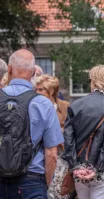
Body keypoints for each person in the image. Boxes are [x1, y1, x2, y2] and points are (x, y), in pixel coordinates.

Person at [0, 49, 64, 199]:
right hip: (31, 180)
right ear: (34, 72)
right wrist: (48, 185)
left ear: (9, 69)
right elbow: (52, 154)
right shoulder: (43, 104)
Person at [61, 65, 104, 199]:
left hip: (80, 168)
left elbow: (68, 139)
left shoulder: (75, 105)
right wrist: (97, 168)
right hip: (103, 167)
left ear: (93, 80)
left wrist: (75, 166)